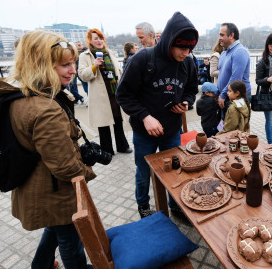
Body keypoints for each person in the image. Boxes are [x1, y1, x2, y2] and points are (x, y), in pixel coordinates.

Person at [0, 30, 97, 269]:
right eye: (65, 65)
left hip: (37, 183)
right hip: (54, 189)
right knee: (70, 238)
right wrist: (87, 171)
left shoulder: (22, 95)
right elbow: (65, 167)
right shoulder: (45, 108)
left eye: (73, 63)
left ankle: (42, 266)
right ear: (42, 66)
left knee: (54, 227)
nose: (73, 70)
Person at [116, 12, 199, 219]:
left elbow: (191, 89)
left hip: (171, 129)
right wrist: (145, 116)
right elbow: (123, 95)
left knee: (173, 171)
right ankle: (143, 205)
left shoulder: (188, 62)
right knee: (144, 173)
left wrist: (187, 103)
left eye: (190, 48)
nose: (186, 53)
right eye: (182, 48)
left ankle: (176, 206)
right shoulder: (143, 59)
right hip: (144, 132)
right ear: (170, 42)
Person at [78, 29, 132, 155]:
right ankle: (107, 150)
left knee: (118, 120)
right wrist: (94, 65)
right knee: (103, 124)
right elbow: (82, 75)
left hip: (114, 92)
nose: (99, 41)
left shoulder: (110, 53)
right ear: (90, 41)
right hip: (99, 95)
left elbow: (118, 72)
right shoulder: (85, 56)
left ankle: (122, 146)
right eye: (96, 38)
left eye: (101, 38)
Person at [217, 23, 251, 116]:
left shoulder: (240, 52)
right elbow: (221, 75)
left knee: (237, 128)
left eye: (222, 35)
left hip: (237, 98)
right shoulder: (224, 52)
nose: (219, 38)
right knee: (227, 127)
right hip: (226, 97)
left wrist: (223, 95)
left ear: (231, 35)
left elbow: (236, 78)